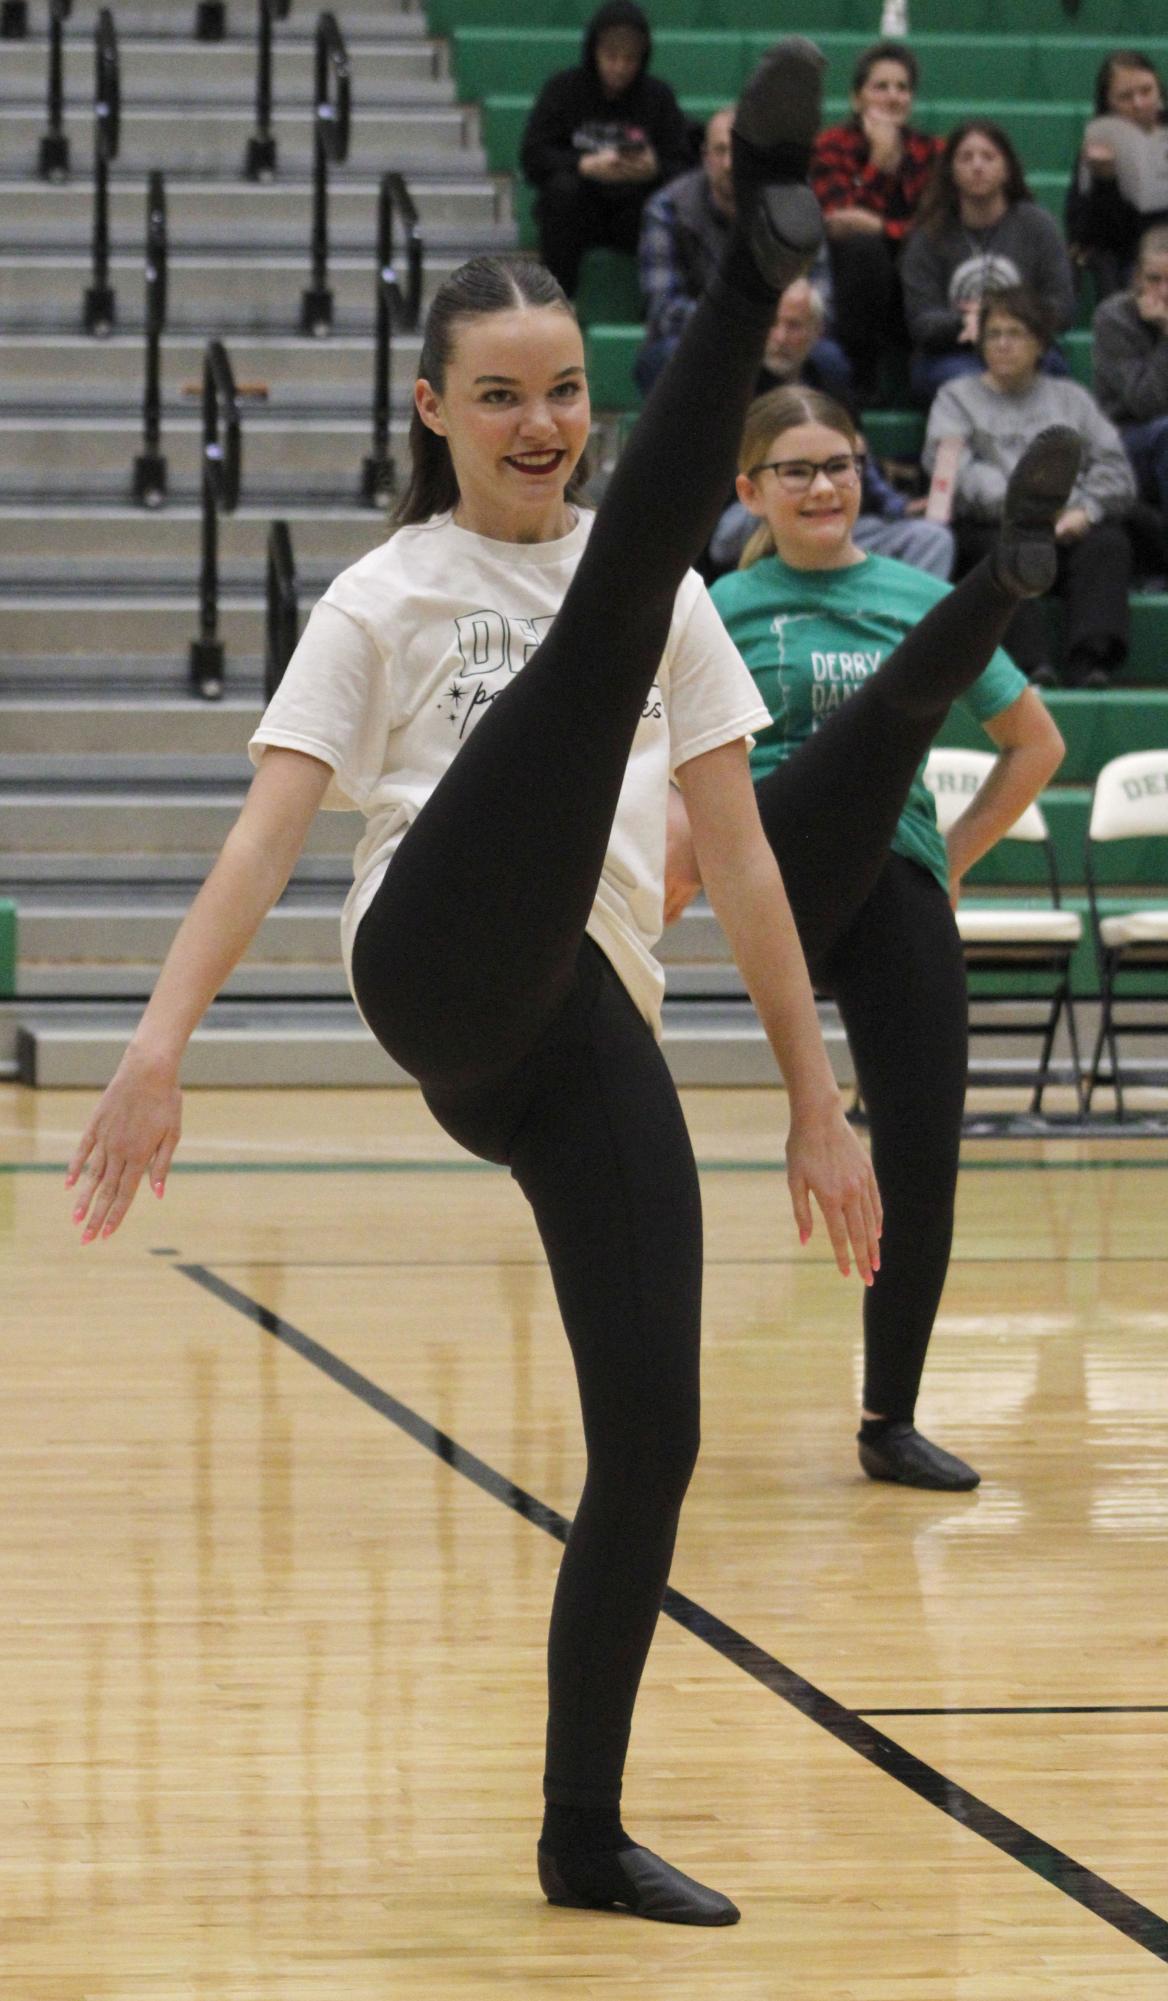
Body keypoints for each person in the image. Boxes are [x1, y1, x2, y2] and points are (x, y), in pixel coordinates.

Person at [65, 41, 1078, 1926]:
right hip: (438, 962)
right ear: (438, 411)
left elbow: (755, 862)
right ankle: (768, 222)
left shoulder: (667, 603)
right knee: (600, 628)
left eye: (562, 394)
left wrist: (810, 1092)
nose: (538, 424)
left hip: (579, 1021)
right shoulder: (384, 596)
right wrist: (155, 1052)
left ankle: (577, 1831)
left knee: (657, 1433)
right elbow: (267, 839)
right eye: (501, 400)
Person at [667, 383, 1068, 1492]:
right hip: (777, 869)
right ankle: (1010, 576)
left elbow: (1036, 746)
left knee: (925, 1158)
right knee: (881, 721)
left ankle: (888, 1420)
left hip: (891, 885)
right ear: (747, 490)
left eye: (839, 463)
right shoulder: (711, 607)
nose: (822, 485)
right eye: (793, 469)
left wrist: (956, 867)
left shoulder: (903, 589)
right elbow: (655, 763)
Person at [926, 285, 1136, 687]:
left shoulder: (1071, 400)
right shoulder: (955, 398)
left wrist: (1084, 510)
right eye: (994, 334)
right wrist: (1026, 511)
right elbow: (953, 470)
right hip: (997, 525)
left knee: (1109, 542)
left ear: (1040, 343)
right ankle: (1028, 667)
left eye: (1015, 333)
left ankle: (1091, 664)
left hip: (1068, 525)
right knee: (988, 547)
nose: (1003, 345)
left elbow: (1115, 468)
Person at [707, 277, 954, 579]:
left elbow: (859, 460)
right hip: (753, 519)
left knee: (932, 539)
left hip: (828, 518)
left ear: (816, 332)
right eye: (772, 324)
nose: (780, 337)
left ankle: (889, 622)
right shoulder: (729, 386)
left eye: (794, 326)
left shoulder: (830, 380)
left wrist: (899, 507)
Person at [635, 107, 845, 395]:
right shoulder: (668, 208)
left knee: (830, 361)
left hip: (779, 335)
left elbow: (823, 305)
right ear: (705, 156)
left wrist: (774, 327)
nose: (731, 163)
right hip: (703, 339)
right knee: (665, 358)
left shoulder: (796, 208)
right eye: (720, 151)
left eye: (742, 153)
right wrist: (748, 322)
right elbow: (664, 312)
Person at [519, 0, 692, 298]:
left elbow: (685, 166)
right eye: (611, 57)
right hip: (580, 209)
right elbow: (533, 157)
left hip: (635, 211)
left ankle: (659, 309)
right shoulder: (564, 89)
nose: (620, 68)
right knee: (562, 191)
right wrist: (584, 165)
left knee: (667, 205)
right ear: (595, 53)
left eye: (630, 59)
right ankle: (558, 303)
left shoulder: (658, 97)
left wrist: (654, 168)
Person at [901, 119, 1077, 406]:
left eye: (988, 157)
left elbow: (1062, 307)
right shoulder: (928, 234)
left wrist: (1003, 320)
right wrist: (964, 324)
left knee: (1047, 372)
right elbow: (922, 322)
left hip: (1026, 347)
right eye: (966, 158)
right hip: (952, 355)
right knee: (970, 384)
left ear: (1007, 168)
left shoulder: (1037, 225)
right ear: (951, 171)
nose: (977, 166)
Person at [809, 39, 942, 404]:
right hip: (850, 290)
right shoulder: (830, 146)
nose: (893, 96)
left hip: (914, 290)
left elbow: (937, 230)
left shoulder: (934, 152)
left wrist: (886, 229)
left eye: (902, 87)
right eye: (880, 87)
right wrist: (880, 165)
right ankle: (858, 376)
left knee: (915, 248)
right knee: (862, 249)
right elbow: (840, 223)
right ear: (857, 99)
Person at [1067, 49, 1168, 302]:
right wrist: (1106, 182)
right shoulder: (1097, 147)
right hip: (1133, 262)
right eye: (1125, 97)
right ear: (1108, 103)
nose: (1139, 104)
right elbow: (1083, 233)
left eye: (1146, 91)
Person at [1093, 223, 1168, 531]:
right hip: (1127, 440)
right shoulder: (1114, 318)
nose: (1164, 291)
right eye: (1154, 279)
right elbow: (1146, 403)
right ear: (1136, 277)